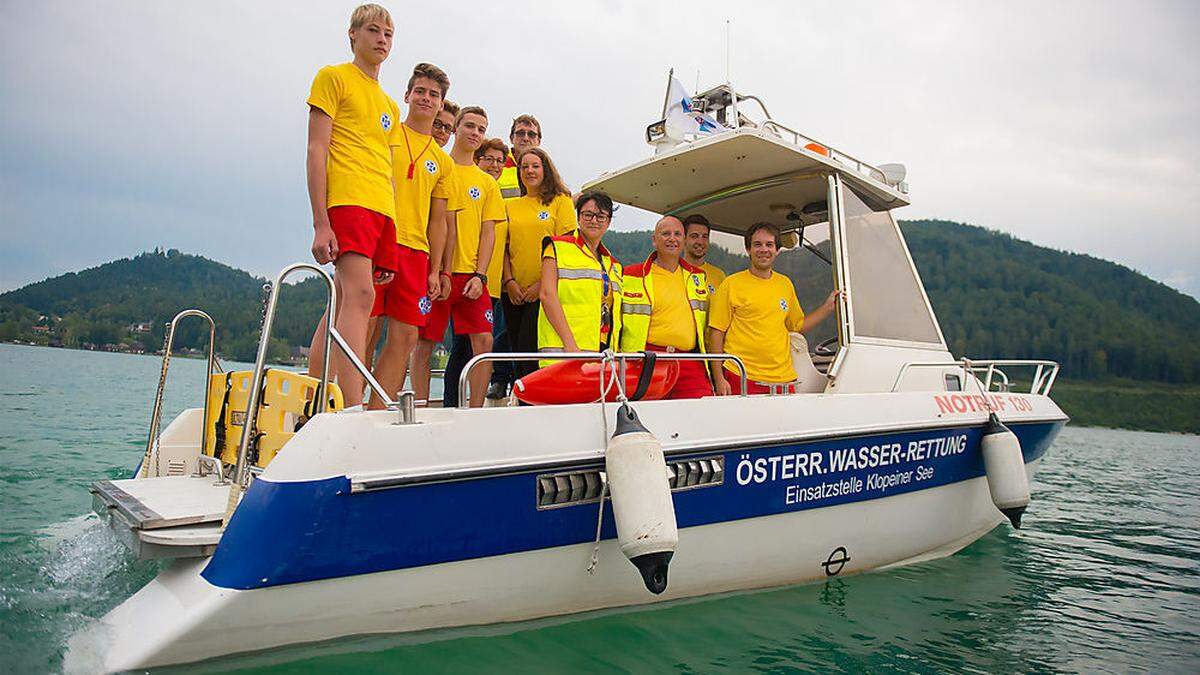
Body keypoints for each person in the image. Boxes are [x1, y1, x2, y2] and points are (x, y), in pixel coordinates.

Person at [303, 4, 400, 410]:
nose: (381, 39)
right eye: (373, 31)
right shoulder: (333, 78)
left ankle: (311, 391)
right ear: (353, 35)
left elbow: (388, 166)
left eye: (388, 34)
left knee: (349, 300)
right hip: (348, 200)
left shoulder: (390, 105)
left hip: (382, 207)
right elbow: (316, 148)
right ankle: (351, 404)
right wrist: (320, 222)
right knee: (360, 296)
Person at [368, 63, 455, 409]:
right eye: (420, 91)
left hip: (416, 252)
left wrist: (436, 269)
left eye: (433, 94)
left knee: (404, 337)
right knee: (366, 328)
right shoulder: (388, 132)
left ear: (440, 104)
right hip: (378, 239)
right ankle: (346, 407)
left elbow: (439, 222)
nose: (426, 98)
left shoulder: (441, 161)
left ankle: (376, 409)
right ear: (407, 95)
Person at [412, 107, 503, 407]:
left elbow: (488, 232)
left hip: (470, 277)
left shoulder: (487, 183)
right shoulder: (438, 165)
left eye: (481, 128)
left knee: (484, 342)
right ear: (456, 129)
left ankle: (475, 412)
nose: (475, 133)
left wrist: (481, 274)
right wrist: (435, 270)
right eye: (470, 126)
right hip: (434, 271)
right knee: (424, 343)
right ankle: (421, 408)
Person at [707, 222, 838, 396]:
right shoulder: (731, 284)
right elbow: (716, 332)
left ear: (776, 250)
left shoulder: (785, 284)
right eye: (757, 245)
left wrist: (828, 307)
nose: (764, 250)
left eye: (769, 245)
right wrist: (718, 379)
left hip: (783, 379)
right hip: (741, 375)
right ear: (748, 250)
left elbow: (796, 326)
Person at [443, 138, 513, 406]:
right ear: (478, 159)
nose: (494, 165)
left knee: (483, 345)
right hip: (465, 275)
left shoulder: (493, 192)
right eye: (489, 159)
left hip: (490, 283)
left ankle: (473, 407)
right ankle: (452, 405)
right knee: (461, 348)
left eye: (499, 161)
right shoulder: (465, 182)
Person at [619, 215, 714, 399]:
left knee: (702, 413)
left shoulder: (697, 277)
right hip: (647, 360)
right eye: (665, 234)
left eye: (677, 234)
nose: (672, 238)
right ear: (654, 240)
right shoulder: (632, 275)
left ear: (684, 240)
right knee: (649, 419)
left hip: (689, 361)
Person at [501, 147, 576, 377]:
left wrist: (541, 284)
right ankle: (522, 402)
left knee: (531, 350)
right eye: (525, 167)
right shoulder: (511, 206)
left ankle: (534, 406)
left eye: (535, 166)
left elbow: (565, 248)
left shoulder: (561, 202)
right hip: (513, 292)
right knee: (516, 351)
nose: (530, 171)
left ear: (546, 170)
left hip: (544, 291)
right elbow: (504, 247)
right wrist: (509, 281)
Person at [537, 192, 622, 361]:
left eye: (601, 216)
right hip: (564, 350)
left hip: (603, 352)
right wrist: (570, 345)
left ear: (609, 222)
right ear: (578, 217)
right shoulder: (557, 246)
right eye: (588, 215)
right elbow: (547, 295)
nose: (594, 220)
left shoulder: (613, 264)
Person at [498, 114, 541, 198]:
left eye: (531, 134)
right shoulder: (497, 165)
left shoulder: (546, 170)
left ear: (538, 141)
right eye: (520, 133)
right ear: (511, 138)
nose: (525, 138)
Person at [682, 214, 726, 295]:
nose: (700, 242)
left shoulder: (719, 276)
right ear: (683, 238)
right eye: (694, 236)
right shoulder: (673, 271)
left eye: (705, 237)